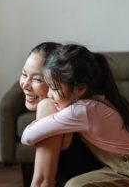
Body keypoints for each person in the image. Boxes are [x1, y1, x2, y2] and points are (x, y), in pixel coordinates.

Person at [22, 44, 129, 187]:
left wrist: (42, 118)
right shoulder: (95, 101)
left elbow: (27, 137)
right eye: (23, 74)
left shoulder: (82, 110)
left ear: (81, 88)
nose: (49, 94)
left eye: (53, 88)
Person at [20, 42, 101, 187]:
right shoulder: (77, 104)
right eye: (24, 74)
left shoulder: (48, 106)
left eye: (37, 79)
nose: (25, 84)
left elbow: (43, 182)